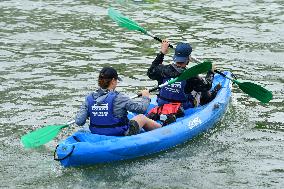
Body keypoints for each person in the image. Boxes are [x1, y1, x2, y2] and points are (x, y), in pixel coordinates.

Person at [75, 66, 162, 136]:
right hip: (120, 134)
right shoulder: (119, 97)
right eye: (116, 80)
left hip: (97, 132)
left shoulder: (89, 98)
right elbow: (142, 109)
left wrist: (94, 111)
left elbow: (79, 121)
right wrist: (145, 96)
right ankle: (163, 129)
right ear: (113, 81)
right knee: (141, 117)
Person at [147, 40, 221, 109]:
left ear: (174, 57)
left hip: (162, 104)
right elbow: (207, 86)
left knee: (196, 84)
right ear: (188, 59)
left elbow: (151, 71)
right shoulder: (191, 75)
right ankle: (208, 102)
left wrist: (162, 53)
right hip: (182, 108)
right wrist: (211, 73)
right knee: (200, 88)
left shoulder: (161, 70)